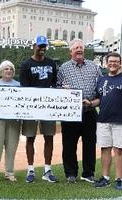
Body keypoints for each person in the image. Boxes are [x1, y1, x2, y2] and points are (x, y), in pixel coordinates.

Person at [57, 38, 102, 183]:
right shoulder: (64, 68)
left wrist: (92, 103)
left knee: (90, 143)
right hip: (71, 113)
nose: (79, 50)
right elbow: (57, 88)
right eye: (76, 48)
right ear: (71, 51)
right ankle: (71, 173)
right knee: (69, 144)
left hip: (89, 110)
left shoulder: (94, 67)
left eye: (81, 48)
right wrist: (63, 91)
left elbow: (101, 89)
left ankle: (88, 173)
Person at [19, 35, 58, 183]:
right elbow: (24, 87)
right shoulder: (26, 64)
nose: (42, 49)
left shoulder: (51, 63)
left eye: (44, 46)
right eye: (40, 46)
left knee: (49, 136)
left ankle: (47, 170)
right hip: (31, 105)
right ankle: (30, 170)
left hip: (47, 105)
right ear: (34, 46)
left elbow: (54, 84)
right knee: (30, 137)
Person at [83, 52, 122, 190]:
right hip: (103, 120)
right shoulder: (102, 79)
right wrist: (90, 103)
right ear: (106, 63)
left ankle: (119, 179)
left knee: (119, 150)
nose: (113, 63)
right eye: (110, 61)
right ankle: (105, 178)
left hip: (119, 121)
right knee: (105, 149)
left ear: (120, 63)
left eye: (116, 61)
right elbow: (100, 99)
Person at [0, 60, 21, 183]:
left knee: (11, 147)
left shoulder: (18, 85)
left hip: (14, 120)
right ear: (1, 71)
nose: (9, 71)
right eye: (6, 69)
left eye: (11, 69)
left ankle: (9, 172)